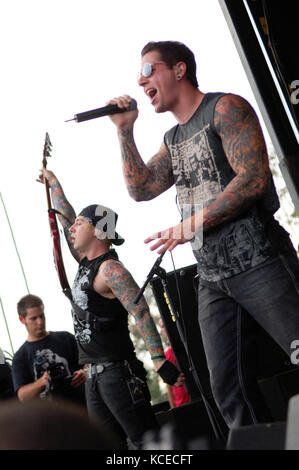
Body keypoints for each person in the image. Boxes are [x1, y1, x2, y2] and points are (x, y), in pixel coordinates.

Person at [107, 40, 299, 429]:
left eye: (148, 70)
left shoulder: (225, 108)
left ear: (178, 70)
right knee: (226, 388)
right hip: (212, 277)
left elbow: (253, 180)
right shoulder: (173, 139)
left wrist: (189, 226)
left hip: (258, 259)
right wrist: (125, 132)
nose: (140, 81)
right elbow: (141, 188)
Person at [37, 168, 184, 450]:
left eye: (81, 223)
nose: (72, 228)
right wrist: (55, 183)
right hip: (93, 376)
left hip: (118, 373)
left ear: (98, 230)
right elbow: (66, 217)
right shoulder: (84, 264)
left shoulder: (110, 269)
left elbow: (140, 311)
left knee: (145, 441)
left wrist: (158, 359)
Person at [12, 294, 86, 406]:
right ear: (22, 319)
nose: (40, 322)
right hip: (50, 418)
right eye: (33, 318)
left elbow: (91, 362)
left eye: (41, 316)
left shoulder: (66, 338)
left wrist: (84, 373)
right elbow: (22, 396)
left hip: (82, 407)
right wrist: (43, 381)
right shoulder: (20, 357)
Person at [158, 319, 190, 409]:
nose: (166, 328)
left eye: (166, 325)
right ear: (162, 331)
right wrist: (174, 409)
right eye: (162, 327)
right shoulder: (165, 356)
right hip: (181, 405)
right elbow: (169, 387)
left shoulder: (186, 346)